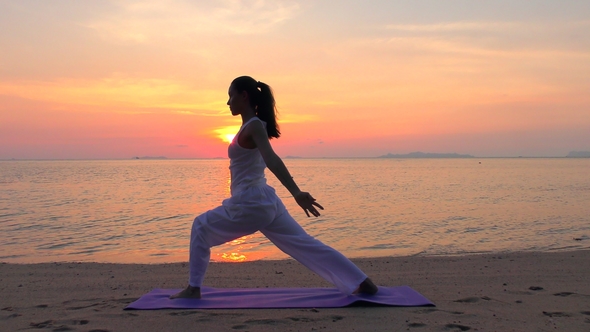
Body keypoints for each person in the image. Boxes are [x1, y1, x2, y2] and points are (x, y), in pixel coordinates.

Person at [170, 76, 378, 299]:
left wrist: (296, 192)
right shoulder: (252, 126)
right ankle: (362, 281)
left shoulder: (254, 126)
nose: (228, 102)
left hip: (251, 202)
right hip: (265, 201)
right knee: (305, 244)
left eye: (231, 96)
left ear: (244, 96)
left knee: (200, 227)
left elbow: (271, 159)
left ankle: (193, 289)